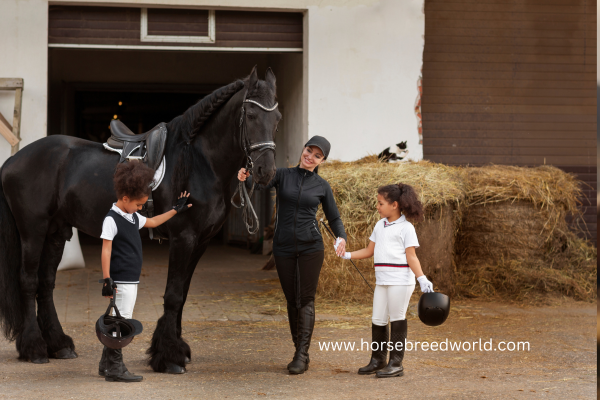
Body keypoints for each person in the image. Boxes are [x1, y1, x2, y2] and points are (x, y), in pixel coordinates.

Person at [237, 136, 347, 375]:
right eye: (309, 150)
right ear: (303, 149)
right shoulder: (283, 175)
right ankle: (299, 348)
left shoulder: (322, 186)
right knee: (291, 298)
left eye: (317, 155)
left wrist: (342, 237)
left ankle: (301, 354)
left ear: (322, 160)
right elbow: (259, 184)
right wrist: (245, 179)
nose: (310, 157)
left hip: (311, 247)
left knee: (305, 299)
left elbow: (334, 217)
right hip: (283, 247)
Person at [99, 161, 192, 382]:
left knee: (117, 320)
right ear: (124, 199)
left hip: (131, 280)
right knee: (121, 323)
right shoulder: (111, 220)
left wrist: (175, 210)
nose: (141, 208)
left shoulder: (131, 216)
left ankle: (106, 364)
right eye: (139, 204)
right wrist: (107, 280)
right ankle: (115, 368)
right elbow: (105, 250)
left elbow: (152, 221)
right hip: (120, 280)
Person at [336, 182, 434, 378]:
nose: (377, 207)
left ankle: (396, 363)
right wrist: (346, 254)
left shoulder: (406, 228)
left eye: (380, 203)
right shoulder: (379, 225)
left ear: (394, 205)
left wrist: (421, 278)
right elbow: (369, 251)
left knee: (397, 318)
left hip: (400, 281)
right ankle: (378, 360)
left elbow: (411, 256)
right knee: (378, 319)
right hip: (382, 281)